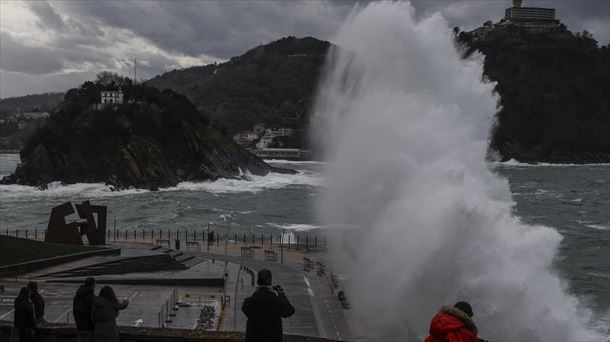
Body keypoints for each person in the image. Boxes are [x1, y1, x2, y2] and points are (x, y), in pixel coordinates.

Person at [242, 269, 295, 342]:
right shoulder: (277, 301)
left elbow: (247, 309)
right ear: (270, 282)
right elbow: (290, 311)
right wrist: (282, 296)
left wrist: (257, 292)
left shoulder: (248, 302)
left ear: (258, 282)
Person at [73, 277, 96, 342]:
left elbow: (74, 310)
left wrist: (77, 322)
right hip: (89, 328)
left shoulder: (78, 294)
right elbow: (94, 312)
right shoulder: (91, 296)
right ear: (93, 284)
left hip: (79, 326)